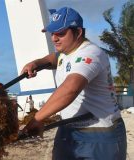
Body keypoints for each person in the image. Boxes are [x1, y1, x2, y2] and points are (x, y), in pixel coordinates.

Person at [20, 7, 127, 160]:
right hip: (68, 129)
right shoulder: (66, 51)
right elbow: (54, 58)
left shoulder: (91, 53)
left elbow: (71, 88)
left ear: (78, 32)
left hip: (100, 131)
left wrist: (38, 118)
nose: (54, 38)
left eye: (61, 33)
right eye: (52, 33)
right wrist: (36, 63)